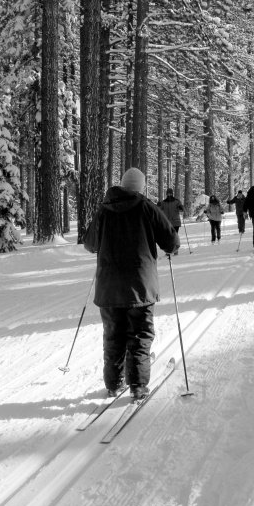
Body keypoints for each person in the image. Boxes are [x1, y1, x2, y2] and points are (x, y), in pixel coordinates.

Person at [83, 167, 179, 400]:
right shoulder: (147, 207)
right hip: (140, 284)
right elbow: (171, 240)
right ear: (140, 187)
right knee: (139, 334)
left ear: (124, 185)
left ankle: (114, 383)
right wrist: (171, 249)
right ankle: (137, 384)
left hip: (109, 285)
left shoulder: (104, 211)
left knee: (114, 334)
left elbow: (89, 243)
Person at [157, 188, 184, 254]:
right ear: (166, 194)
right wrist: (157, 206)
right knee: (168, 236)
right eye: (168, 193)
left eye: (170, 193)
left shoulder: (177, 201)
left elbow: (182, 209)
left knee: (175, 236)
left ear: (172, 194)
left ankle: (175, 250)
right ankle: (168, 250)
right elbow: (158, 210)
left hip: (175, 221)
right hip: (167, 222)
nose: (169, 195)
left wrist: (181, 207)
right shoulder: (163, 202)